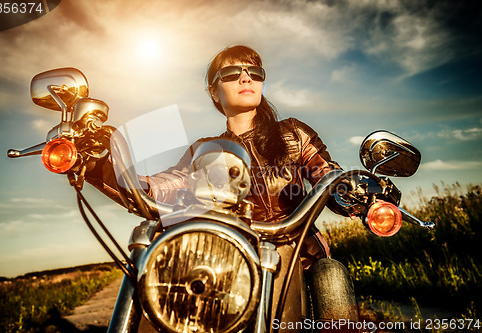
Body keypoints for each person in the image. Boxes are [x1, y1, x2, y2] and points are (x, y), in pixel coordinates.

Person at [86, 45, 358, 329]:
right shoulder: (205, 150)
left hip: (301, 257)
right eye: (231, 72)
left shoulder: (293, 132)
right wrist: (96, 166)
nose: (245, 78)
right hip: (232, 263)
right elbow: (160, 187)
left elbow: (327, 172)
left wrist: (351, 191)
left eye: (254, 71)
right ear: (214, 92)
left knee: (331, 274)